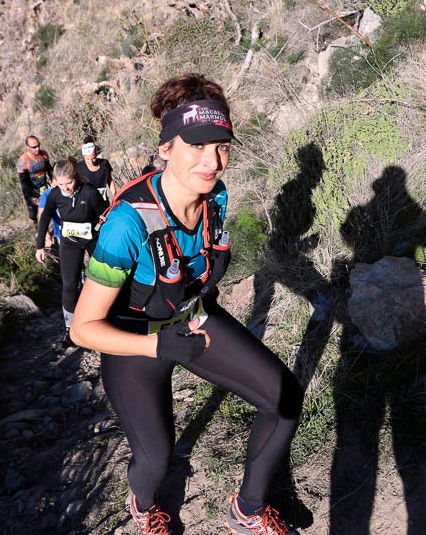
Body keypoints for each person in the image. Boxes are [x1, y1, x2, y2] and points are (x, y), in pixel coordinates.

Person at [71, 74, 303, 535]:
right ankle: (143, 504)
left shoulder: (214, 196)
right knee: (156, 456)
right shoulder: (127, 224)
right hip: (137, 341)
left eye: (221, 145)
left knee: (285, 398)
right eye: (196, 145)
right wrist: (159, 348)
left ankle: (249, 508)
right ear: (165, 147)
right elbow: (82, 328)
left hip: (194, 320)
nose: (211, 160)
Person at [37, 157, 109, 335]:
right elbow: (45, 218)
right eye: (61, 185)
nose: (65, 188)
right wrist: (40, 245)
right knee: (69, 283)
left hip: (93, 237)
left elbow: (106, 214)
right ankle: (70, 328)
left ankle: (107, 317)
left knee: (104, 277)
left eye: (68, 183)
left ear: (75, 177)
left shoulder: (89, 192)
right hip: (70, 240)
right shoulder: (55, 194)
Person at [17, 135, 52, 223]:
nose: (37, 149)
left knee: (49, 209)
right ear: (28, 147)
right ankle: (36, 231)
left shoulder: (43, 155)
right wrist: (31, 196)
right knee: (33, 215)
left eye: (38, 145)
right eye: (34, 147)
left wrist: (54, 181)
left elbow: (49, 170)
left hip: (44, 186)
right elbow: (24, 183)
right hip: (31, 190)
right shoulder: (23, 161)